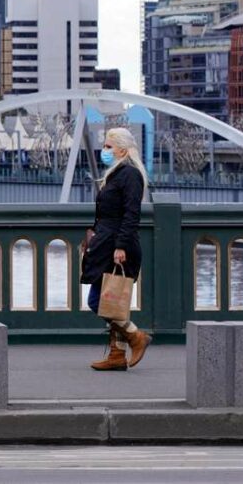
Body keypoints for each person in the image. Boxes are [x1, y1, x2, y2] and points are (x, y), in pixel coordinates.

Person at [81, 127, 151, 371]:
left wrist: (121, 246)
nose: (105, 150)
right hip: (107, 243)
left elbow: (132, 214)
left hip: (118, 246)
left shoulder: (129, 174)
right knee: (114, 303)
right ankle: (117, 355)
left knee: (97, 300)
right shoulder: (117, 173)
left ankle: (135, 336)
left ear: (122, 149)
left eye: (109, 146)